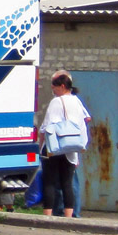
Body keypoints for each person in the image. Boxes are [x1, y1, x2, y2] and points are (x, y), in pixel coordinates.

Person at [39, 70, 90, 218]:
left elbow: (47, 126)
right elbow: (84, 123)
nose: (53, 90)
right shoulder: (77, 101)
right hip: (72, 147)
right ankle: (69, 216)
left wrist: (41, 144)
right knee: (67, 183)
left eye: (54, 87)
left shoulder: (56, 101)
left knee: (49, 182)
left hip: (54, 147)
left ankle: (47, 215)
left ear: (62, 86)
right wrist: (81, 147)